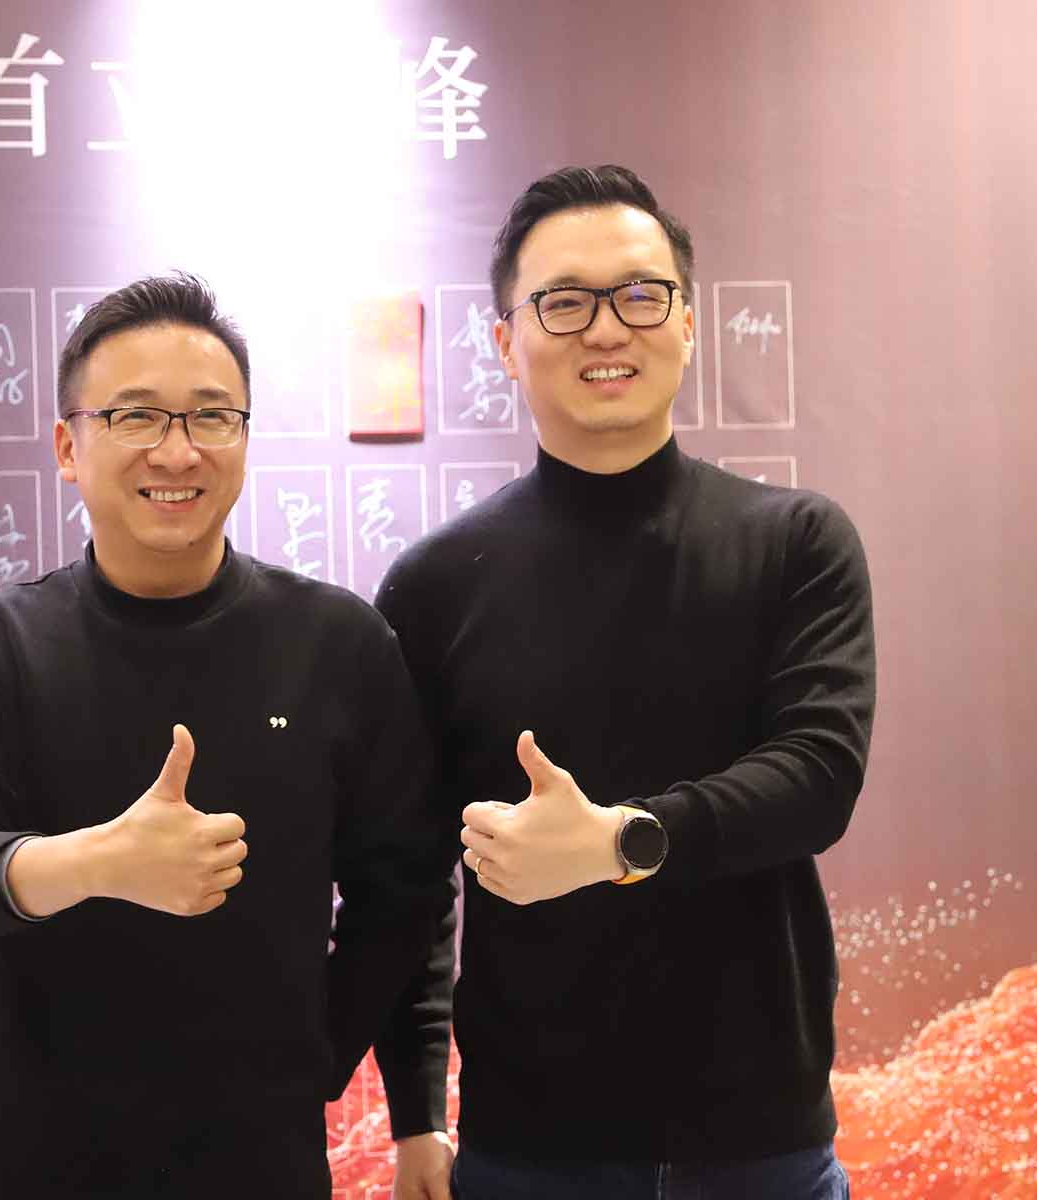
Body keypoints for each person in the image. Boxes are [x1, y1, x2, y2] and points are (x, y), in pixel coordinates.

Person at [0, 274, 450, 1198]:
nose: (178, 451)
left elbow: (406, 890)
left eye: (211, 417)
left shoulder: (336, 645)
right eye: (136, 416)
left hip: (258, 1166)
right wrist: (99, 862)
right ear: (68, 447)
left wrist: (319, 1056)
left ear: (244, 438)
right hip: (35, 1164)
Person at [376, 166, 875, 1199]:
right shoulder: (433, 587)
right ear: (504, 340)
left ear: (686, 323)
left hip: (759, 1142)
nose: (606, 328)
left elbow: (816, 777)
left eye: (641, 295)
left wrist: (617, 842)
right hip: (528, 1148)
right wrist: (417, 1109)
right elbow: (408, 873)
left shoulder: (795, 541)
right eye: (563, 302)